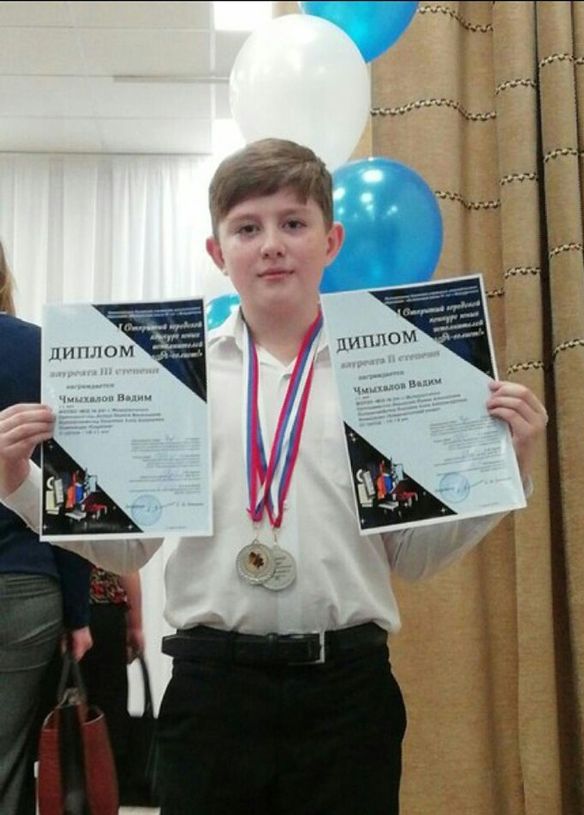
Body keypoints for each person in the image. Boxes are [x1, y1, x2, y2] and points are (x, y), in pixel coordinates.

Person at [0, 139, 548, 815]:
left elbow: (413, 556)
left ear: (331, 240)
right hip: (212, 692)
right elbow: (131, 550)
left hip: (347, 693)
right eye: (247, 228)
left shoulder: (389, 374)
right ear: (216, 251)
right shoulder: (174, 379)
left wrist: (506, 469)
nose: (272, 246)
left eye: (293, 223)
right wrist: (18, 480)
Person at [0, 242, 92, 815]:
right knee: (9, 757)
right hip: (26, 585)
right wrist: (78, 613)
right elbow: (67, 491)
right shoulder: (41, 349)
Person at [79, 568, 144, 801]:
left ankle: (64, 795)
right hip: (105, 613)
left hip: (57, 610)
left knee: (63, 715)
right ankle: (104, 796)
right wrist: (135, 625)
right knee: (109, 713)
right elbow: (127, 565)